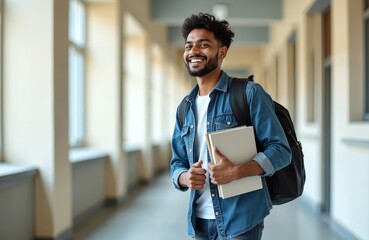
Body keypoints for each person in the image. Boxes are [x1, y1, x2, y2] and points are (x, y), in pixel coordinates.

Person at [170, 13, 292, 240]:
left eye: (204, 45)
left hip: (241, 219)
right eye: (189, 46)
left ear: (222, 51)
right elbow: (177, 162)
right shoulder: (183, 108)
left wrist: (237, 172)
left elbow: (281, 150)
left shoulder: (248, 93)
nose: (193, 51)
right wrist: (185, 178)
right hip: (198, 223)